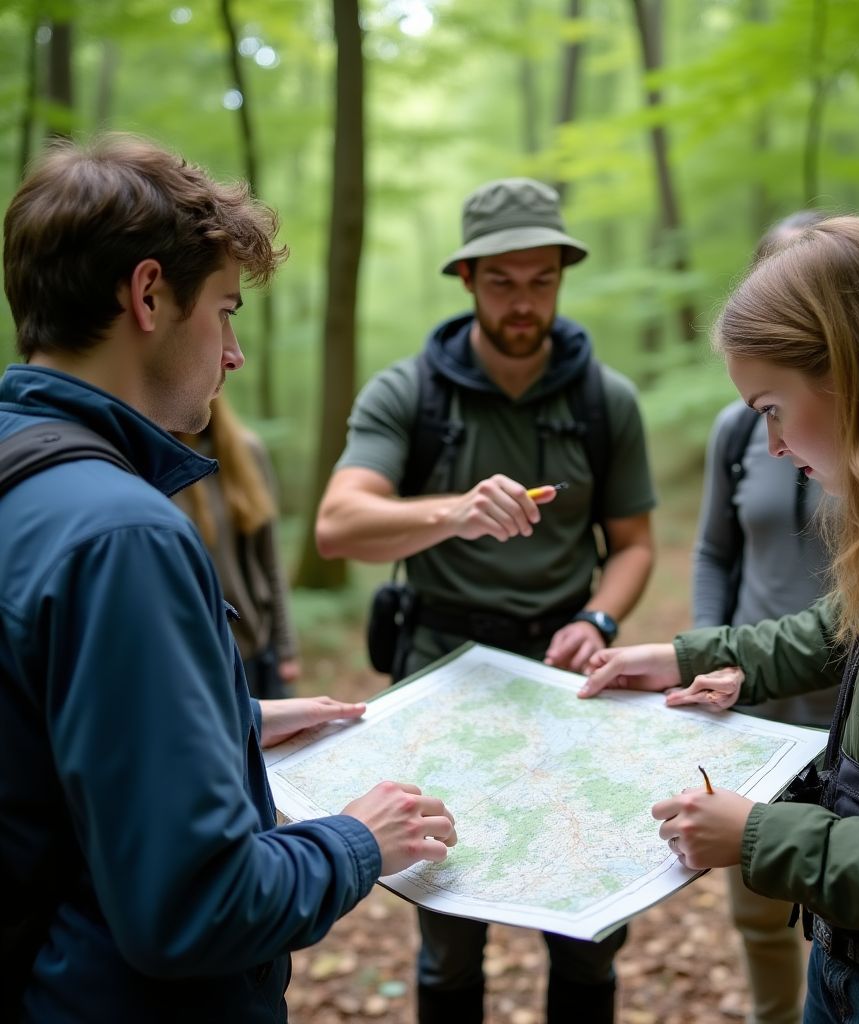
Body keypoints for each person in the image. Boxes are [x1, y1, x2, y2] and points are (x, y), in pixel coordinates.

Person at [0, 133, 456, 1024]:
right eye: (225, 308)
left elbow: (36, 744)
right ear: (146, 295)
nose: (235, 351)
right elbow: (194, 908)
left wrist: (231, 719)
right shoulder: (122, 533)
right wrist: (360, 841)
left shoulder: (22, 475)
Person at [580, 215, 859, 1022]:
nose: (775, 445)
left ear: (858, 374)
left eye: (775, 408)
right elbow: (846, 627)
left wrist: (758, 837)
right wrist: (683, 656)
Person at [316, 177, 657, 1023]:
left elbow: (636, 542)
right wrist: (455, 511)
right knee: (450, 914)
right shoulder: (412, 393)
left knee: (587, 919)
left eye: (541, 279)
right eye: (502, 282)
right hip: (444, 673)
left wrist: (599, 617)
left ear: (562, 277)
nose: (523, 302)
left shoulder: (603, 399)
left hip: (566, 678)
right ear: (466, 280)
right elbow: (337, 526)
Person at [692, 211, 834, 1024]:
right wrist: (710, 657)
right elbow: (714, 552)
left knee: (849, 905)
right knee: (759, 908)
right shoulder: (739, 428)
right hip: (755, 701)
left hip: (849, 706)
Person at [175, 395, 300, 699]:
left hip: (255, 648)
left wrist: (286, 648)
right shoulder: (153, 463)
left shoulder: (246, 452)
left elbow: (269, 560)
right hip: (193, 658)